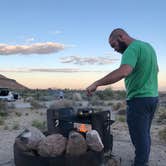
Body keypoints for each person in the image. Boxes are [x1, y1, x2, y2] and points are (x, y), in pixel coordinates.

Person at [86, 28, 158, 166]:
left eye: (114, 45)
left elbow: (124, 71)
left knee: (139, 138)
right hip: (152, 99)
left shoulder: (131, 49)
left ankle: (140, 163)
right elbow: (156, 69)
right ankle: (143, 160)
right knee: (145, 135)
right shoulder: (148, 47)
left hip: (139, 100)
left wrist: (97, 83)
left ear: (121, 36)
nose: (114, 49)